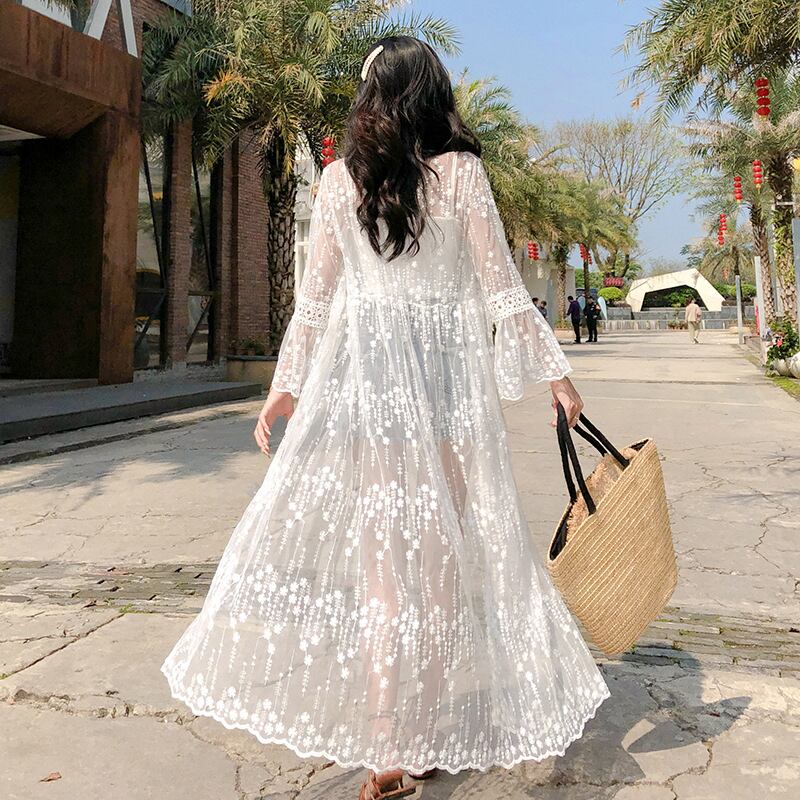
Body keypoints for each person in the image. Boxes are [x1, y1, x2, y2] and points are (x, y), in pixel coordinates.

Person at [162, 37, 608, 800]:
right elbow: (502, 287)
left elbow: (315, 304)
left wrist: (286, 386)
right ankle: (418, 733)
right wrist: (557, 378)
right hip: (444, 404)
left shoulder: (342, 180)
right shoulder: (460, 175)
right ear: (431, 93)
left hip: (373, 405)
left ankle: (387, 746)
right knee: (436, 576)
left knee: (383, 580)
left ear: (372, 97)